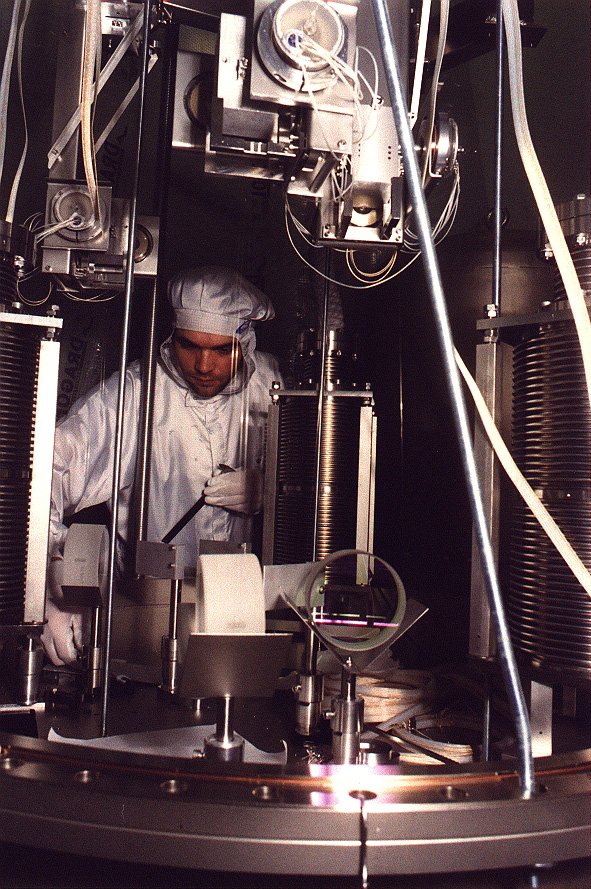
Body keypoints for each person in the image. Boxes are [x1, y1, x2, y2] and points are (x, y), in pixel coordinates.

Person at [41, 266, 282, 665]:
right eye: (190, 346)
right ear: (172, 337)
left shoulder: (271, 387)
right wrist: (51, 583)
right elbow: (46, 469)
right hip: (142, 621)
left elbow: (323, 487)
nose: (204, 365)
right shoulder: (135, 395)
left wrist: (272, 493)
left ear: (247, 342)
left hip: (249, 621)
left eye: (221, 350)